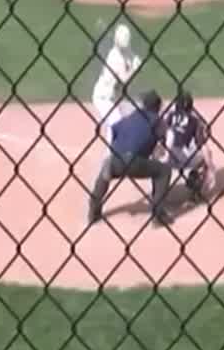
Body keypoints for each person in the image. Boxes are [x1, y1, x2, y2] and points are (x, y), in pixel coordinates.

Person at [85, 90, 173, 229]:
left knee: (106, 170)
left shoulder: (131, 116)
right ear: (157, 106)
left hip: (116, 160)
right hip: (134, 162)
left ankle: (93, 212)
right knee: (164, 171)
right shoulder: (156, 120)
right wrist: (161, 152)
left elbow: (113, 130)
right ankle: (158, 215)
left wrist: (113, 151)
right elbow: (166, 140)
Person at [88, 23, 143, 137]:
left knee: (128, 117)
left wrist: (135, 61)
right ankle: (112, 147)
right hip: (103, 98)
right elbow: (124, 79)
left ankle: (115, 145)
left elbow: (131, 57)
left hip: (113, 97)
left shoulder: (125, 51)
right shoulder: (114, 57)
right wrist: (134, 69)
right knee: (116, 123)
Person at [160, 89, 213, 203]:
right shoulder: (195, 120)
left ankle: (158, 194)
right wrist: (210, 168)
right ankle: (195, 191)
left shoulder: (169, 117)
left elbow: (161, 135)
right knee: (204, 158)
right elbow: (202, 145)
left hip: (165, 158)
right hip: (183, 157)